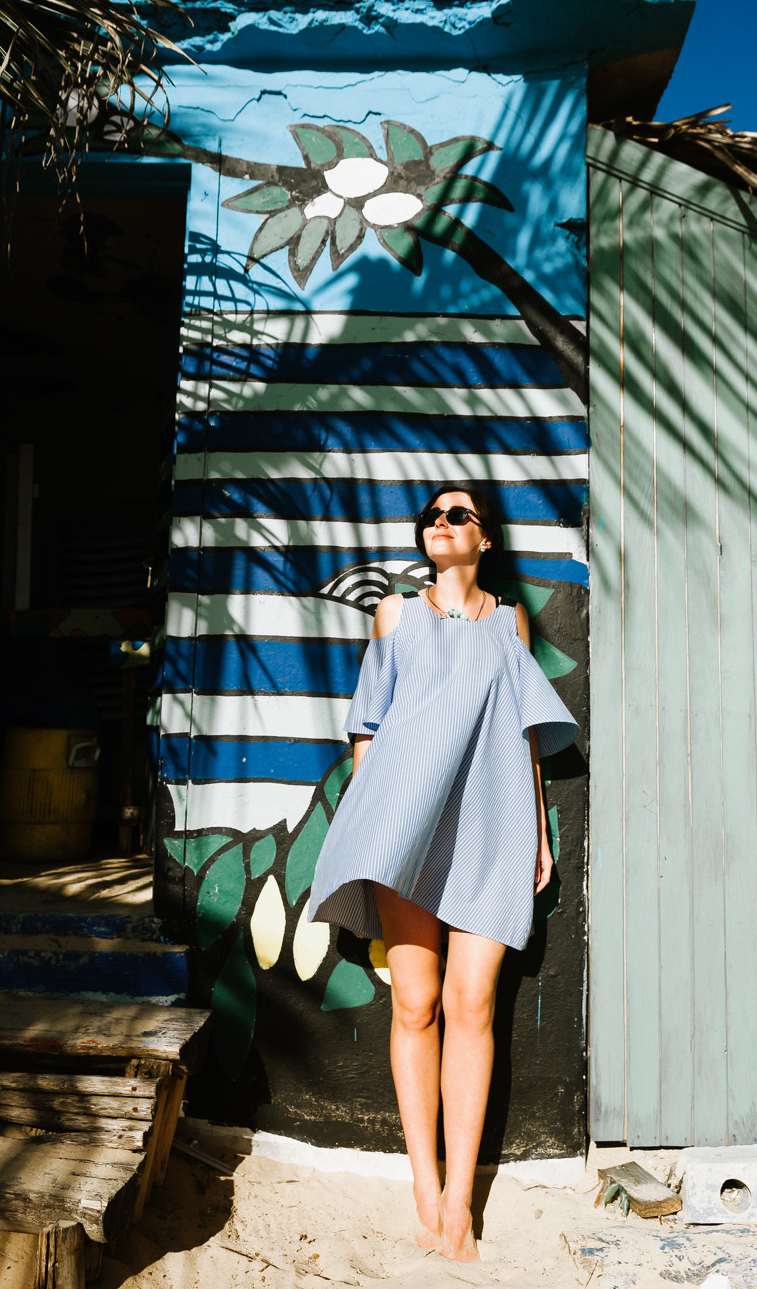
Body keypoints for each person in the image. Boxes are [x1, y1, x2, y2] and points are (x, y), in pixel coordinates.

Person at [308, 485, 579, 1262]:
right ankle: (424, 1185)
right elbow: (368, 727)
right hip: (406, 826)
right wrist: (368, 824)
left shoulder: (509, 622)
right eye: (431, 515)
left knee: (473, 1002)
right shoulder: (395, 614)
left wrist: (536, 829)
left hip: (492, 820)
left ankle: (461, 1200)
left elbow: (524, 728)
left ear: (484, 538)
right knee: (417, 1004)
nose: (440, 524)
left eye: (457, 514)